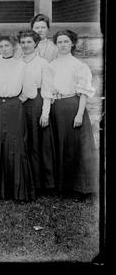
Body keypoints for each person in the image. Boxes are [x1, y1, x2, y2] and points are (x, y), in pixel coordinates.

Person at [0, 32, 36, 201]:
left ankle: (16, 189)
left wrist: (16, 101)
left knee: (15, 143)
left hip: (14, 106)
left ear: (13, 47)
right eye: (1, 46)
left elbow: (30, 91)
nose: (4, 49)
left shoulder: (21, 66)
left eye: (7, 46)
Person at [49, 30, 98, 196]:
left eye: (66, 41)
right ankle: (61, 186)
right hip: (57, 107)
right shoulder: (52, 65)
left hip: (73, 106)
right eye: (60, 42)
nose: (62, 45)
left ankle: (79, 188)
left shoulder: (79, 65)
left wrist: (79, 114)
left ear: (72, 44)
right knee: (59, 144)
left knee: (74, 147)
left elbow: (83, 93)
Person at [17, 29, 57, 193]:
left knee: (36, 142)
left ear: (35, 44)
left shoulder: (42, 63)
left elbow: (47, 89)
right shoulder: (17, 61)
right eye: (23, 42)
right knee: (22, 141)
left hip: (36, 104)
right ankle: (25, 180)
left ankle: (41, 183)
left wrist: (45, 113)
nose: (25, 45)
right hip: (19, 103)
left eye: (29, 42)